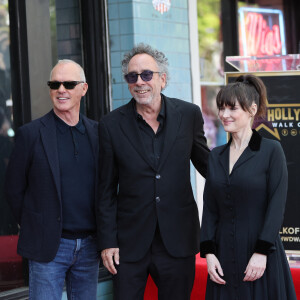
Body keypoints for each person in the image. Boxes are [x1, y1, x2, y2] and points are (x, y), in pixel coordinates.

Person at [97, 43, 210, 300]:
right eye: (132, 76)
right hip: (128, 243)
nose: (140, 82)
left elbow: (208, 166)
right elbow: (104, 189)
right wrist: (107, 241)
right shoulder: (111, 125)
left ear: (163, 79)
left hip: (178, 239)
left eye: (147, 74)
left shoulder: (189, 115)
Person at [5, 59, 100, 300]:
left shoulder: (98, 133)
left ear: (84, 89)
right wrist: (35, 223)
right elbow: (13, 189)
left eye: (68, 84)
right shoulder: (31, 134)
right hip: (49, 246)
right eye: (55, 84)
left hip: (89, 247)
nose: (61, 89)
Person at [200, 74, 296, 299]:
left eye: (232, 109)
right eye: (221, 108)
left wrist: (261, 252)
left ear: (252, 110)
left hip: (261, 252)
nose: (224, 115)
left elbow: (276, 206)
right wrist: (209, 253)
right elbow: (210, 208)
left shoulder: (271, 151)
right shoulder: (216, 156)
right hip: (223, 255)